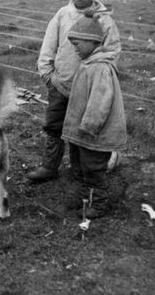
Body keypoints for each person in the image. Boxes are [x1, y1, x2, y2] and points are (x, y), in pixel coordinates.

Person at [26, 0, 121, 183]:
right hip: (61, 85)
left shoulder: (104, 20)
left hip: (89, 90)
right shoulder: (62, 15)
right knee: (54, 126)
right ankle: (49, 167)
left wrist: (97, 79)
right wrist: (49, 78)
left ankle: (79, 172)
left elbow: (113, 52)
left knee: (81, 131)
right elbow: (48, 48)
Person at [62, 15, 127, 219]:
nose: (74, 48)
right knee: (80, 165)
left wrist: (89, 126)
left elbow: (100, 102)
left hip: (93, 132)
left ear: (92, 41)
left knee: (93, 168)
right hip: (82, 133)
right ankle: (84, 197)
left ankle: (99, 202)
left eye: (77, 43)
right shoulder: (89, 63)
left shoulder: (100, 67)